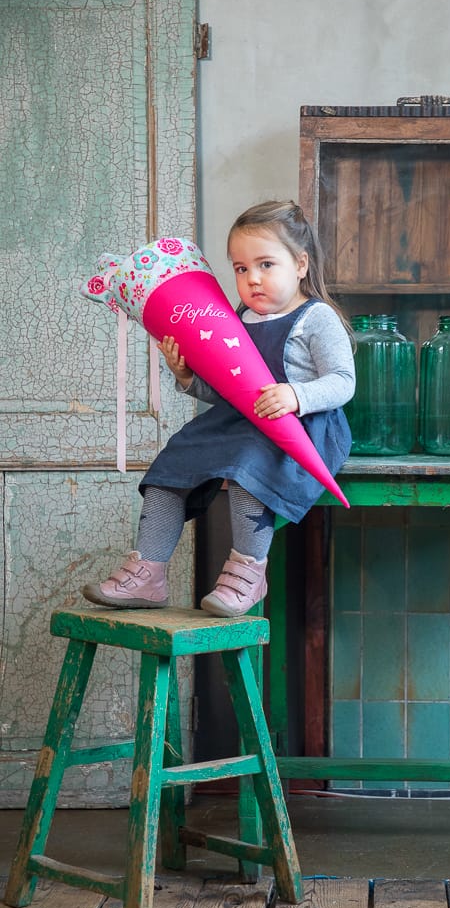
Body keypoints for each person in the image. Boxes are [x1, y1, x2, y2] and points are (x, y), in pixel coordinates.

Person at [82, 200, 355, 616]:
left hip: (303, 429)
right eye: (241, 269)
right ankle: (149, 572)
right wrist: (188, 375)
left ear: (300, 265)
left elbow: (342, 382)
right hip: (240, 421)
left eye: (265, 265)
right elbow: (230, 390)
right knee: (170, 464)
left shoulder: (316, 318)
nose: (252, 279)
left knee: (247, 470)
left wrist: (297, 395)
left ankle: (249, 570)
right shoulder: (240, 317)